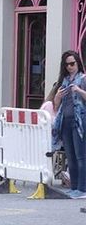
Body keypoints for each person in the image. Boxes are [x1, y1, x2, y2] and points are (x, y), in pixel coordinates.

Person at [52, 50, 86, 198]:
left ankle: (82, 188)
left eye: (72, 64)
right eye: (67, 65)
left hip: (79, 122)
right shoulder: (64, 81)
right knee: (70, 156)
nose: (70, 67)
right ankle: (74, 186)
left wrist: (78, 90)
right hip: (64, 120)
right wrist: (57, 97)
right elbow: (56, 106)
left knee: (80, 155)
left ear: (78, 63)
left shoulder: (83, 79)